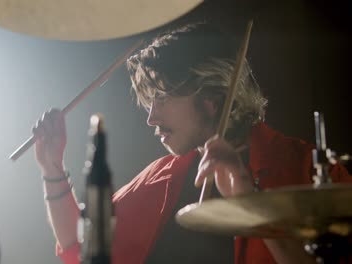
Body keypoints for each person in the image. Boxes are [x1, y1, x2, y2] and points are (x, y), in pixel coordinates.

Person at [32, 23, 351, 264]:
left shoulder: (307, 168)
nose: (151, 118)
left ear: (210, 97)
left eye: (162, 98)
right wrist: (52, 168)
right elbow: (84, 241)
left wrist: (246, 194)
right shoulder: (162, 174)